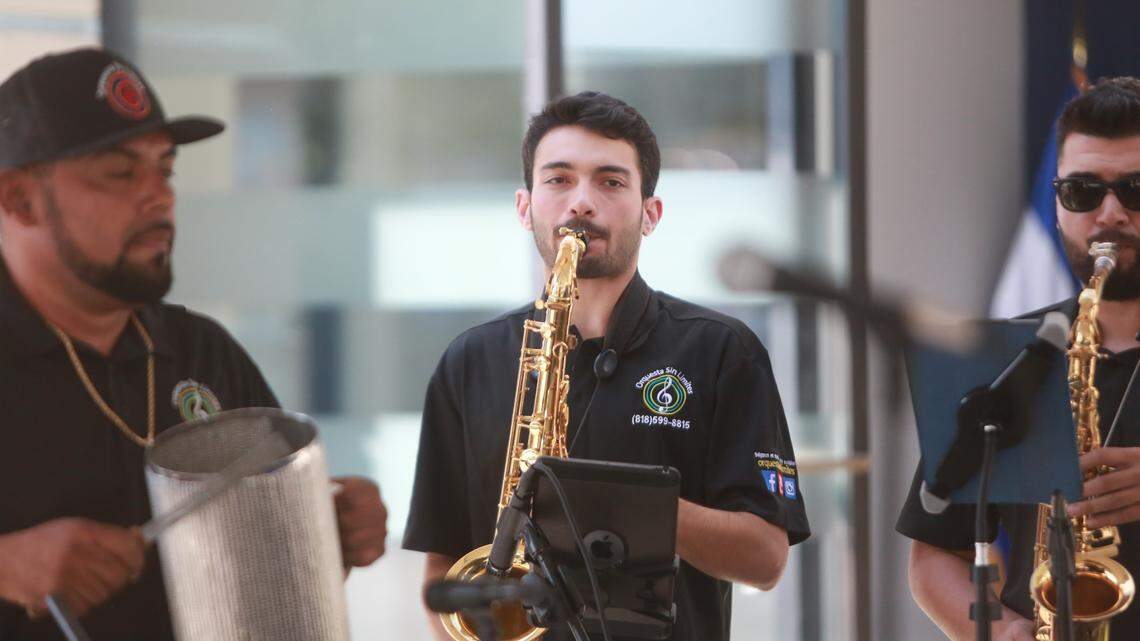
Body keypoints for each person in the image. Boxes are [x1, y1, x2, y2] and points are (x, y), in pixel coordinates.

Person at [0, 48, 388, 640]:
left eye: (165, 168)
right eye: (120, 172)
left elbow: (268, 594)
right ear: (19, 199)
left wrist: (325, 535)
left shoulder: (202, 352)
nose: (159, 196)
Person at [403, 91, 810, 641]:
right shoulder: (469, 360)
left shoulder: (720, 351)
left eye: (611, 181)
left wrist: (631, 507)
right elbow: (444, 564)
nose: (581, 203)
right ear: (525, 208)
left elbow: (765, 560)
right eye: (559, 179)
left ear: (651, 213)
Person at [899, 77, 1140, 641]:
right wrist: (1006, 633)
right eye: (1082, 191)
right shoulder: (1000, 358)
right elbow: (936, 556)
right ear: (1057, 207)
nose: (1110, 214)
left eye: (1136, 189)